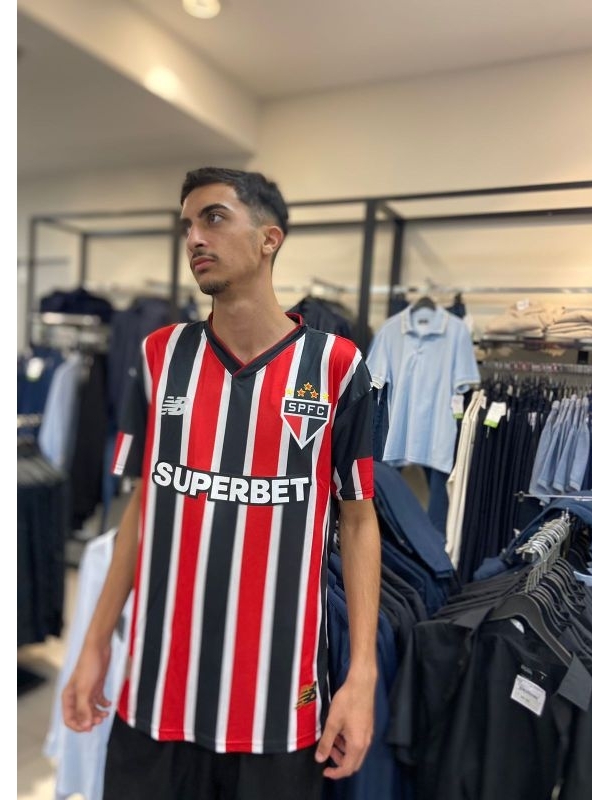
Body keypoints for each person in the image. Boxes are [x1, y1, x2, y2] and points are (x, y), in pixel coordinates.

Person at [61, 167, 382, 800]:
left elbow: (359, 519)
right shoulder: (158, 355)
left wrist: (362, 675)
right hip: (156, 690)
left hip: (277, 703)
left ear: (269, 238)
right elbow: (143, 505)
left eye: (213, 218)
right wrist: (94, 642)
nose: (194, 238)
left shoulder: (337, 367)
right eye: (186, 225)